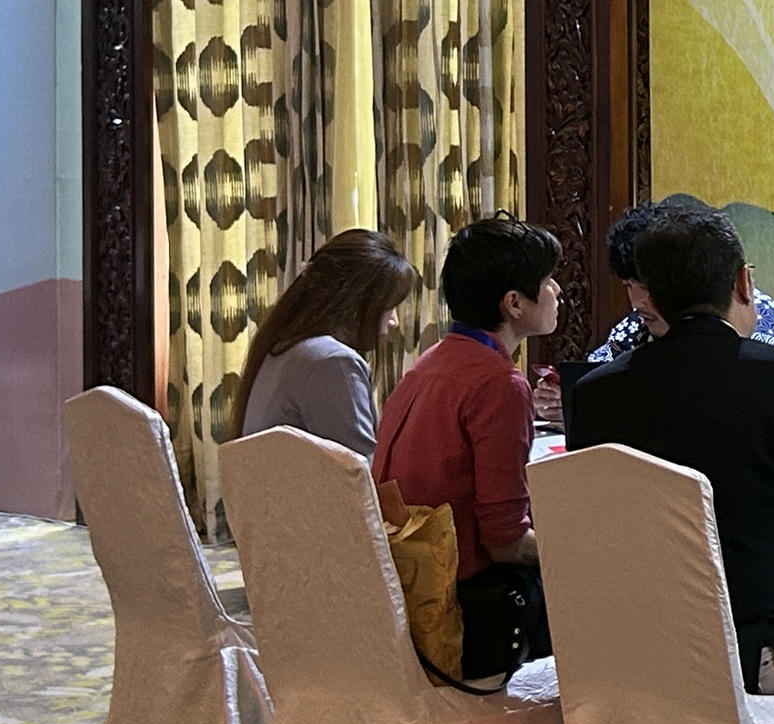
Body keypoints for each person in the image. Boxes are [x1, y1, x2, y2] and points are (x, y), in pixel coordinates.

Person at [570, 200, 774, 694]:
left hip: (633, 654)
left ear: (651, 298)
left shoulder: (595, 394)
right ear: (742, 283)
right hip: (757, 650)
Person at [374, 215, 561, 668]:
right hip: (463, 610)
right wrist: (579, 549)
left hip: (400, 593)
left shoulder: (431, 361)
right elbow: (504, 542)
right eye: (547, 281)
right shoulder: (499, 383)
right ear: (514, 303)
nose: (557, 291)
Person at [234, 230, 418, 459]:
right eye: (389, 307)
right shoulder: (332, 362)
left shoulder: (283, 348)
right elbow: (360, 474)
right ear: (358, 301)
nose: (394, 321)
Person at [587, 196, 774, 361]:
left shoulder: (763, 320)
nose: (637, 302)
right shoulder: (632, 331)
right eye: (629, 285)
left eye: (647, 287)